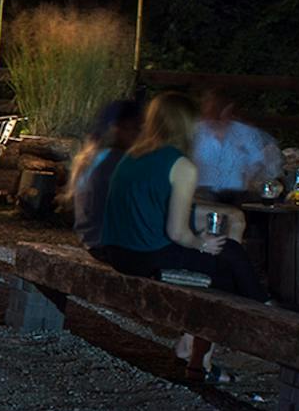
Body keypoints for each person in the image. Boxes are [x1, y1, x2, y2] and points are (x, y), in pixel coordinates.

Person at [96, 91, 269, 303]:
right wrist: (201, 244)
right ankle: (264, 308)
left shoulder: (132, 155)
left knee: (224, 261)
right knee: (230, 254)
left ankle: (194, 333)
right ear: (187, 124)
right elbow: (177, 233)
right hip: (145, 256)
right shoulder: (181, 165)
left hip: (116, 253)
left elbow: (150, 204)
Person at [70, 98, 140, 251]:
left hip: (90, 237)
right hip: (109, 244)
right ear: (119, 128)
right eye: (136, 129)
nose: (139, 136)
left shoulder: (93, 156)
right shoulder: (116, 161)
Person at [188, 90, 281, 199]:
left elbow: (258, 163)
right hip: (201, 195)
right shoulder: (194, 132)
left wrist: (250, 180)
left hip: (237, 196)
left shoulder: (246, 133)